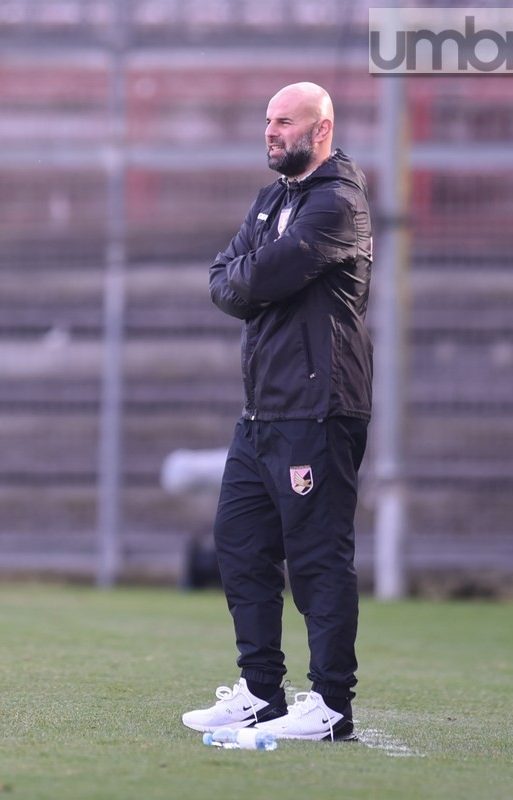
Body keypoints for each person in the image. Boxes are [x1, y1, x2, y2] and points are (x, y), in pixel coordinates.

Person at [181, 82, 373, 742]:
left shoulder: (338, 202)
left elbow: (255, 279)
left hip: (318, 408)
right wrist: (251, 279)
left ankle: (331, 704)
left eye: (283, 122)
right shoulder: (272, 200)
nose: (270, 132)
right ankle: (262, 692)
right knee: (239, 545)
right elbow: (222, 280)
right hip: (262, 411)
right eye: (267, 120)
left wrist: (251, 280)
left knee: (317, 555)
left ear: (320, 130)